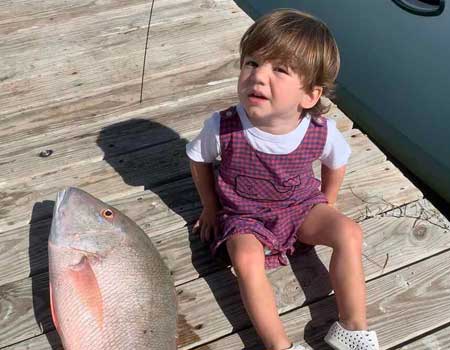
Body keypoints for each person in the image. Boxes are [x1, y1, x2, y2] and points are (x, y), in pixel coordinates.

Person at [186, 9, 380, 350]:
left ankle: (352, 325)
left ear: (310, 95)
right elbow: (198, 159)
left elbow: (337, 162)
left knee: (349, 232)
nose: (258, 77)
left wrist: (328, 202)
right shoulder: (223, 126)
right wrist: (210, 207)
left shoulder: (321, 131)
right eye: (251, 63)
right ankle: (279, 345)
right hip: (243, 215)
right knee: (246, 260)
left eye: (279, 70)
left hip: (300, 206)